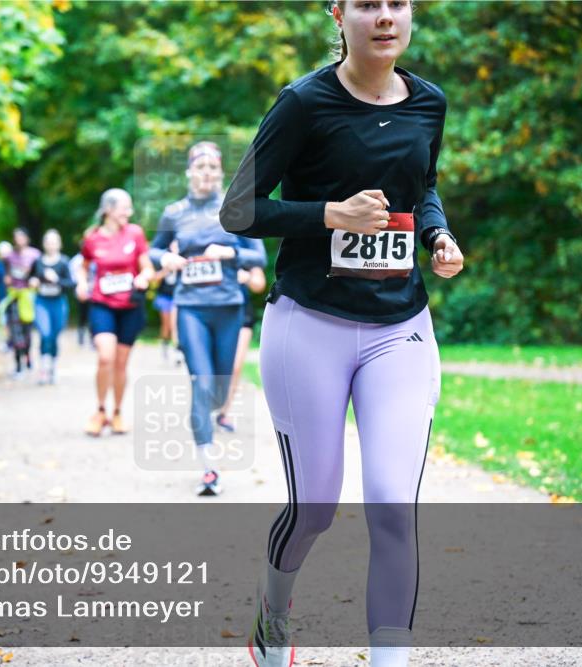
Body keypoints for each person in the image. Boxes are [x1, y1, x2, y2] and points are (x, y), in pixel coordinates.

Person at [219, 2, 464, 666]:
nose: (384, 17)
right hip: (310, 325)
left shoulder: (429, 102)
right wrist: (333, 213)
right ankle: (273, 612)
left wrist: (437, 233)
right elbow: (238, 210)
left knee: (391, 505)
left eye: (397, 3)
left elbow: (425, 186)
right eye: (366, 4)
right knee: (315, 509)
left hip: (400, 328)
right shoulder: (304, 103)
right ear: (339, 13)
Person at [150, 141, 266, 496]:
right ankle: (209, 467)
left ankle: (212, 424)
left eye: (213, 169)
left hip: (229, 307)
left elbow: (258, 256)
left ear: (220, 174)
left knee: (217, 390)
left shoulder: (235, 209)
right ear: (189, 173)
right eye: (200, 168)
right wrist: (163, 260)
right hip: (192, 308)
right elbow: (154, 250)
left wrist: (229, 251)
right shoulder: (174, 212)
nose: (206, 174)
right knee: (201, 382)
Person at [74, 188, 154, 436]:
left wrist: (144, 276)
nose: (128, 213)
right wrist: (81, 283)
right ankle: (99, 411)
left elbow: (148, 267)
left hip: (130, 306)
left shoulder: (135, 233)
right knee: (105, 356)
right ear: (108, 209)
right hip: (102, 304)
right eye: (124, 208)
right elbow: (83, 266)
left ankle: (117, 413)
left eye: (130, 208)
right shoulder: (92, 238)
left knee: (121, 363)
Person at [215, 263, 267, 432]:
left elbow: (259, 284)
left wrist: (247, 278)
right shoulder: (203, 240)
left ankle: (224, 413)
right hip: (211, 311)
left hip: (241, 313)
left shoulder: (246, 244)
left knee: (235, 366)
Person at [32, 229, 74, 385]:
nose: (51, 245)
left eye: (54, 242)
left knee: (55, 335)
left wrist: (57, 280)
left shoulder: (64, 262)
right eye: (48, 242)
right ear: (44, 244)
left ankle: (53, 368)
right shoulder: (38, 262)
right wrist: (33, 282)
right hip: (42, 302)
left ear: (59, 244)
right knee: (45, 334)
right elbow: (31, 278)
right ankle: (43, 368)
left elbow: (70, 284)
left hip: (58, 302)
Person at [1, 228, 41, 379]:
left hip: (28, 298)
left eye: (21, 237)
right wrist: (7, 280)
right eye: (16, 237)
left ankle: (28, 357)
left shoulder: (35, 255)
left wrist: (34, 281)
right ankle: (18, 365)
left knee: (27, 332)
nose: (19, 240)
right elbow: (6, 275)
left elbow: (38, 274)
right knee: (15, 332)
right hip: (13, 297)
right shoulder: (8, 257)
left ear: (27, 238)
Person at [151, 240, 179, 362]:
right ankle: (165, 346)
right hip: (164, 296)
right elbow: (154, 278)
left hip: (178, 298)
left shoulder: (184, 257)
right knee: (166, 326)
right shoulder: (162, 259)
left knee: (175, 325)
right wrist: (166, 270)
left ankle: (177, 351)